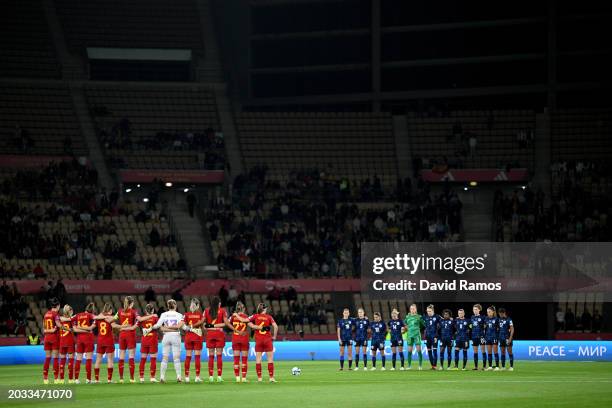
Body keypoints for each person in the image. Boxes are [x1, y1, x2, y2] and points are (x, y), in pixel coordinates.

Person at [144, 299, 187, 383]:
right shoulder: (179, 315)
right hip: (175, 336)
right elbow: (184, 327)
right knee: (176, 358)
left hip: (166, 336)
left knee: (165, 357)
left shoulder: (164, 314)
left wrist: (149, 329)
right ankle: (178, 377)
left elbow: (157, 325)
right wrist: (191, 329)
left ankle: (162, 377)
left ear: (168, 306)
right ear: (175, 305)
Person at [116, 296, 154, 383]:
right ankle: (132, 378)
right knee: (131, 356)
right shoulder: (134, 312)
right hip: (130, 335)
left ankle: (121, 378)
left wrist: (121, 327)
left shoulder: (119, 311)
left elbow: (112, 322)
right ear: (132, 303)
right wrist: (152, 315)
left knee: (121, 356)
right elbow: (140, 319)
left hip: (122, 335)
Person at [228, 301, 260, 382]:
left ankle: (237, 378)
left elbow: (227, 323)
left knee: (236, 359)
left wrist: (234, 329)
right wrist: (259, 327)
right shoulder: (245, 316)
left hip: (235, 338)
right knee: (244, 359)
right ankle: (244, 378)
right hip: (244, 339)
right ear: (244, 309)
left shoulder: (233, 316)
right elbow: (251, 325)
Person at [203, 296, 231, 382]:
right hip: (219, 334)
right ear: (219, 303)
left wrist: (211, 327)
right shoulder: (222, 311)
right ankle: (219, 376)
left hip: (210, 335)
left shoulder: (206, 310)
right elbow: (225, 324)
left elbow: (204, 326)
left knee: (211, 356)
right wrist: (216, 327)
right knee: (219, 356)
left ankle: (210, 376)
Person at [248, 303, 277, 382]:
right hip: (267, 339)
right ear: (264, 309)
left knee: (258, 359)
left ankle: (259, 378)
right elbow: (275, 326)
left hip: (258, 340)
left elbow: (247, 321)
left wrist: (255, 326)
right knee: (270, 359)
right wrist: (274, 336)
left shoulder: (255, 316)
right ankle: (271, 378)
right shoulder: (269, 317)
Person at [94, 303, 122, 383]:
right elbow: (114, 326)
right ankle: (109, 380)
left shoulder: (99, 316)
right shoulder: (110, 317)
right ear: (109, 310)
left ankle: (96, 380)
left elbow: (95, 321)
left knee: (98, 360)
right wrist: (123, 326)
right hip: (108, 340)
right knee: (110, 360)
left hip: (100, 340)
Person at [73, 303, 97, 384]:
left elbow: (74, 329)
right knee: (89, 359)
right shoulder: (91, 316)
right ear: (92, 310)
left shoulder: (77, 315)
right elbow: (91, 328)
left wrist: (79, 327)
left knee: (78, 359)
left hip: (79, 339)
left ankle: (76, 379)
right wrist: (87, 330)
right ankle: (88, 379)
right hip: (88, 338)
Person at [183, 298, 204, 383]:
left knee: (188, 357)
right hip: (197, 337)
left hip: (188, 337)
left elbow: (183, 327)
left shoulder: (186, 315)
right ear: (198, 306)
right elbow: (203, 325)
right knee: (197, 357)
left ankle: (187, 377)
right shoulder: (200, 315)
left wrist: (189, 328)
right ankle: (197, 377)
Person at [42, 298, 61, 384]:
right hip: (54, 338)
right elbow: (58, 325)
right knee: (55, 358)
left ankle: (45, 379)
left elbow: (44, 329)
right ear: (57, 306)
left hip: (46, 338)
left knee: (47, 358)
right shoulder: (55, 314)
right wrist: (67, 328)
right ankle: (56, 379)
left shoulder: (46, 314)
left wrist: (48, 331)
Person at [139, 303, 159, 382]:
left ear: (145, 310)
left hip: (144, 340)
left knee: (143, 359)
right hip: (153, 340)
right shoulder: (155, 318)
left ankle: (141, 377)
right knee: (153, 359)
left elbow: (138, 323)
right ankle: (152, 377)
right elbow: (159, 326)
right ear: (153, 310)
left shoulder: (142, 318)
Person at [58, 305, 76, 383]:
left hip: (62, 341)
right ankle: (70, 379)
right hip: (69, 341)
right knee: (71, 360)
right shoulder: (71, 320)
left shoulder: (59, 318)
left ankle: (61, 379)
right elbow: (74, 329)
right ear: (70, 311)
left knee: (62, 360)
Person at [404, 304, 425, 370]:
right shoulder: (407, 317)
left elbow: (423, 325)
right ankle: (409, 366)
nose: (412, 310)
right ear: (410, 310)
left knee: (419, 350)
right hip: (409, 335)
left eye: (413, 309)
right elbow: (405, 324)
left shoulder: (419, 317)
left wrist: (417, 329)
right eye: (411, 309)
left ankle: (420, 366)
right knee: (409, 351)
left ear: (415, 309)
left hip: (416, 335)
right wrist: (406, 328)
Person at [423, 304, 441, 370]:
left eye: (430, 311)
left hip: (434, 336)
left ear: (433, 310)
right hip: (427, 336)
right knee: (429, 351)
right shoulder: (425, 317)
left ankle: (435, 365)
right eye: (427, 311)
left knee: (435, 351)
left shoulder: (437, 316)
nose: (428, 312)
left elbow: (443, 321)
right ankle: (432, 366)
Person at [470, 304, 486, 370]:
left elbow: (485, 325)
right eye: (474, 309)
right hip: (474, 336)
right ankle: (476, 367)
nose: (475, 311)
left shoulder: (483, 317)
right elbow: (470, 325)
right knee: (475, 352)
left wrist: (483, 329)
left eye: (476, 309)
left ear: (479, 310)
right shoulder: (472, 317)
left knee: (483, 351)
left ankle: (484, 367)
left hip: (481, 336)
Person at [484, 306, 500, 371]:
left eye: (489, 312)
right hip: (488, 337)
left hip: (494, 337)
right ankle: (490, 366)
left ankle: (497, 366)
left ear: (493, 312)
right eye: (487, 312)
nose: (488, 313)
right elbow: (484, 327)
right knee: (489, 352)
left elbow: (499, 328)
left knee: (495, 352)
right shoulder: (486, 319)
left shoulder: (496, 319)